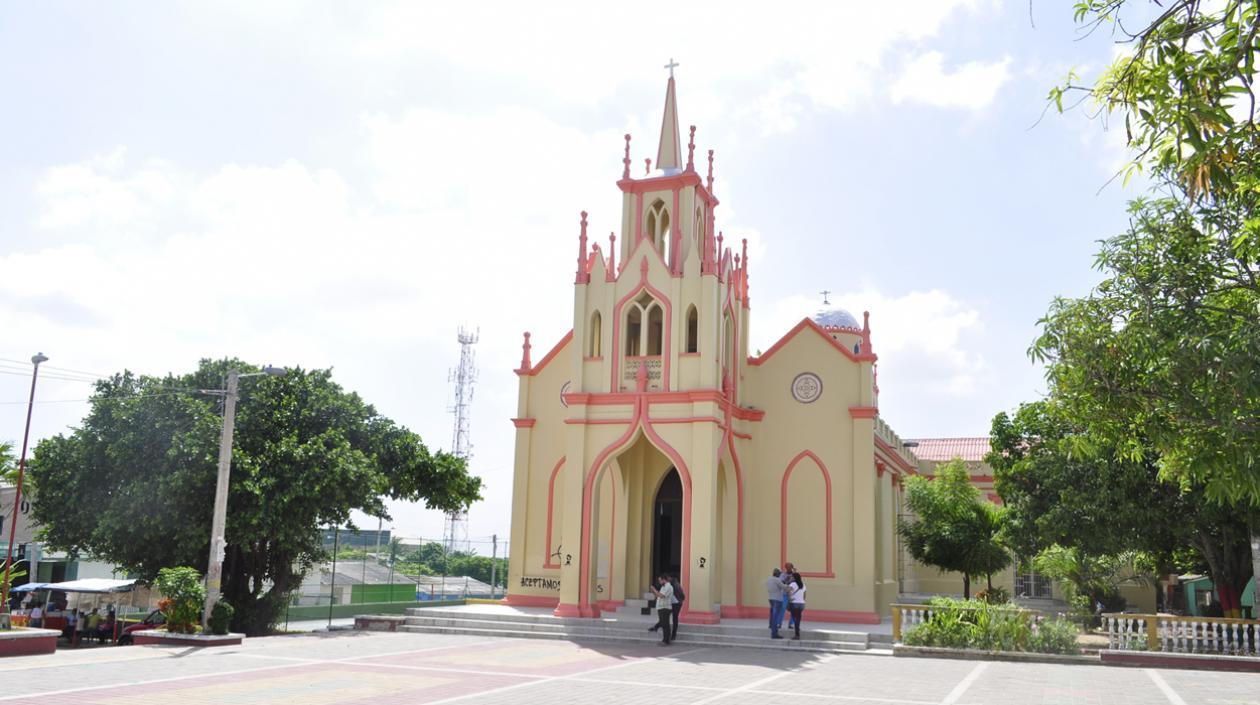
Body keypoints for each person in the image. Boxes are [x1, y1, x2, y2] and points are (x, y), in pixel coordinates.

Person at [649, 574, 674, 646]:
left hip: (665, 608)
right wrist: (654, 592)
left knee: (665, 625)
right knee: (663, 623)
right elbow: (658, 595)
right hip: (661, 607)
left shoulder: (668, 586)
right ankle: (663, 638)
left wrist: (654, 589)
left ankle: (666, 641)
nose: (659, 582)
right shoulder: (664, 587)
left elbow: (662, 595)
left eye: (660, 580)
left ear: (664, 580)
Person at [786, 571, 806, 640]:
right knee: (798, 618)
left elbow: (788, 591)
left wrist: (790, 598)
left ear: (794, 577)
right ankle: (797, 631)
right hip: (801, 604)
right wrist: (802, 600)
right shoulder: (803, 584)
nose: (791, 578)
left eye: (792, 577)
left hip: (794, 603)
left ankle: (797, 635)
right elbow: (805, 595)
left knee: (795, 618)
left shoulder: (792, 584)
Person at [765, 568, 785, 639]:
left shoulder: (769, 579)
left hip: (771, 598)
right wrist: (789, 587)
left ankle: (771, 625)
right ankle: (774, 633)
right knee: (775, 617)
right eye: (779, 573)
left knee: (772, 615)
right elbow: (783, 587)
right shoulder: (777, 580)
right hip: (777, 599)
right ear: (777, 574)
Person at [779, 562, 795, 630]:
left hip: (792, 594)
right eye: (787, 567)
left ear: (792, 567)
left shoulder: (795, 575)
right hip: (785, 594)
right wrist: (787, 579)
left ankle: (791, 624)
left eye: (790, 567)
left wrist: (794, 576)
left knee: (794, 610)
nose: (788, 568)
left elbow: (798, 583)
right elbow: (781, 583)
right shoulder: (782, 575)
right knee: (782, 609)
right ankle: (779, 623)